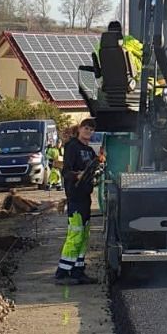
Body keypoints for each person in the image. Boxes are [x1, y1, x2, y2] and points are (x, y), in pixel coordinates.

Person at [55, 119, 102, 284]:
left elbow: (96, 167)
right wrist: (77, 175)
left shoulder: (89, 151)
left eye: (91, 129)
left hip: (85, 196)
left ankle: (78, 270)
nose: (88, 131)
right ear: (80, 129)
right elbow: (66, 171)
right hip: (75, 196)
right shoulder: (72, 147)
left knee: (83, 236)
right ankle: (62, 272)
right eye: (86, 128)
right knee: (75, 234)